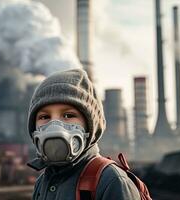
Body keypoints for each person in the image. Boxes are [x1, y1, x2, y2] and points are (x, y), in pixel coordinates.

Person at [27, 68, 141, 200]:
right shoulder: (43, 181)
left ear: (89, 126)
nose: (54, 126)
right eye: (44, 116)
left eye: (68, 115)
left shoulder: (112, 181)